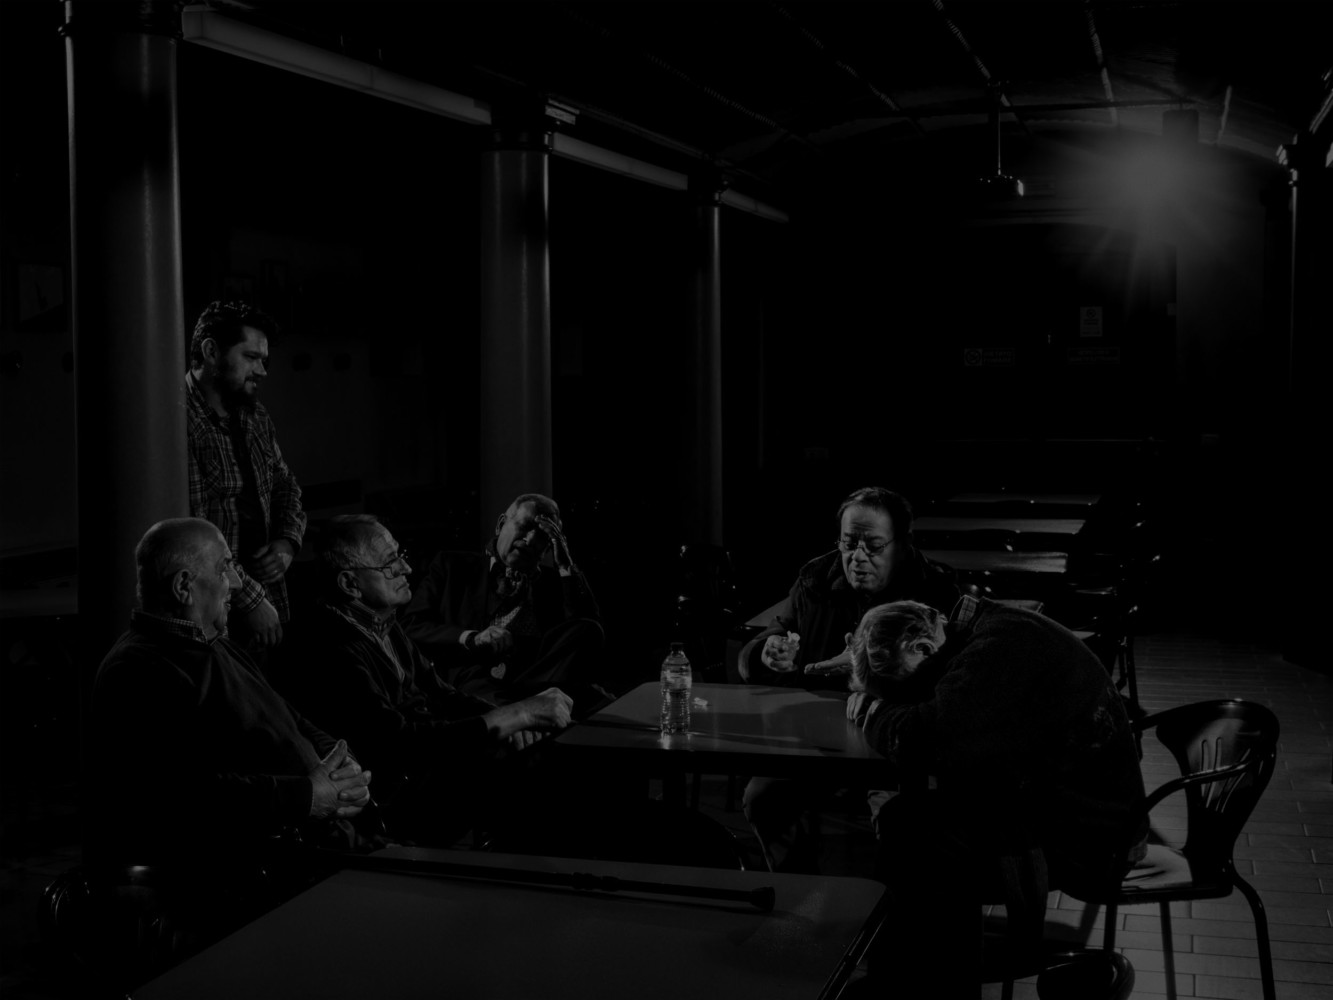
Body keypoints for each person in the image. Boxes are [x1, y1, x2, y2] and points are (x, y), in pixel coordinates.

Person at [90, 519, 374, 970]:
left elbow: (290, 716)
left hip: (316, 845)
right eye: (225, 568)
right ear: (184, 586)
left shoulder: (215, 643)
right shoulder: (137, 670)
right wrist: (310, 796)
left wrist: (341, 763)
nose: (237, 584)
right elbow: (186, 794)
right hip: (259, 875)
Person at [844, 596, 1147, 998]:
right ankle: (912, 977)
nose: (917, 695)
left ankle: (922, 981)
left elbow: (927, 737)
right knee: (912, 824)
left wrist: (876, 711)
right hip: (1072, 811)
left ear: (923, 648)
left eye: (909, 684)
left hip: (1093, 844)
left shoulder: (1000, 649)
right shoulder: (993, 632)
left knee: (918, 838)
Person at [272, 514, 575, 843]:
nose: (407, 568)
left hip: (429, 764)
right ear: (350, 584)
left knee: (544, 751)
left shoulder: (383, 623)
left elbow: (443, 695)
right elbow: (400, 744)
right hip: (398, 793)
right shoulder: (329, 648)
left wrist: (512, 720)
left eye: (400, 556)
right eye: (390, 564)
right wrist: (515, 716)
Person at [738, 486, 960, 871]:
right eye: (848, 543)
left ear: (903, 545)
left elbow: (948, 682)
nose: (857, 557)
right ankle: (800, 893)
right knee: (763, 798)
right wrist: (767, 652)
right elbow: (768, 639)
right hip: (817, 736)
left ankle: (889, 899)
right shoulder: (815, 579)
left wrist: (866, 674)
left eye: (873, 546)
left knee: (900, 822)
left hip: (894, 739)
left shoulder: (933, 589)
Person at [402, 492, 606, 707]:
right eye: (525, 526)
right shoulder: (452, 565)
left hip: (533, 676)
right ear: (501, 525)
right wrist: (471, 638)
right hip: (473, 677)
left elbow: (588, 631)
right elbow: (411, 625)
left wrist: (565, 565)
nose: (530, 540)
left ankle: (531, 704)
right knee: (584, 698)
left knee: (588, 631)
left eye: (543, 536)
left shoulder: (555, 583)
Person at [186, 300, 306, 651]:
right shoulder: (180, 422)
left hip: (269, 605)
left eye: (263, 360)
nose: (262, 370)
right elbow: (195, 535)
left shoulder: (254, 415)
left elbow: (286, 486)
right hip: (213, 615)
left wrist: (287, 542)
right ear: (211, 352)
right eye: (251, 357)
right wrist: (251, 600)